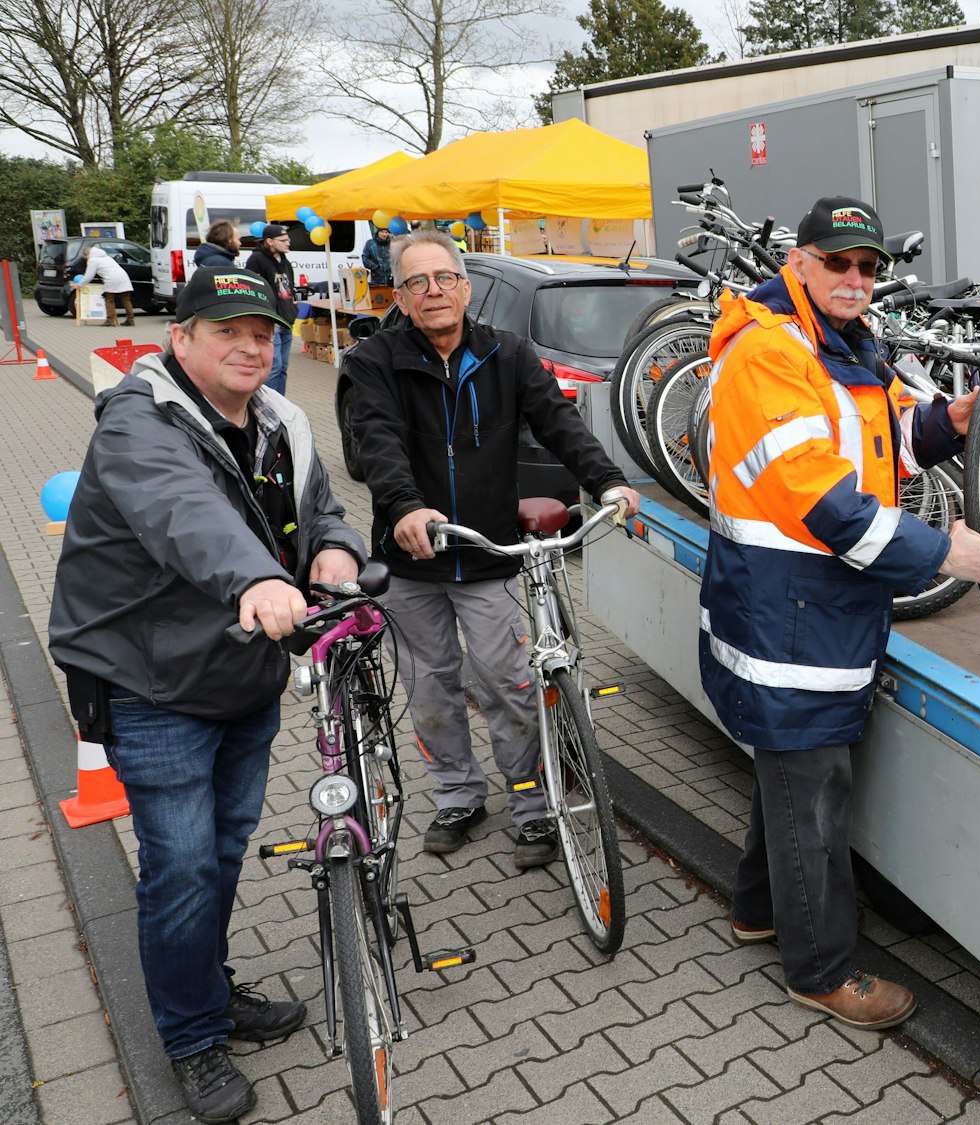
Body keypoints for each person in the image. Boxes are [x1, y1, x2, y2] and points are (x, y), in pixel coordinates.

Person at [48, 267, 366, 1124]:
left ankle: (208, 989)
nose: (249, 346)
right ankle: (190, 1038)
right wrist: (260, 577)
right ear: (179, 338)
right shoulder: (139, 424)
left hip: (242, 673)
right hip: (152, 681)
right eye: (226, 330)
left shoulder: (282, 421)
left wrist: (332, 549)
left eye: (262, 333)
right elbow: (187, 511)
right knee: (181, 866)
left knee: (221, 852)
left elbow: (320, 506)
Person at [701, 196, 980, 1031]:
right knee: (815, 798)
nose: (856, 278)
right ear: (798, 262)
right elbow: (826, 502)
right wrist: (946, 554)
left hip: (814, 611)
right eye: (838, 262)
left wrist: (947, 421)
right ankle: (822, 969)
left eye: (869, 266)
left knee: (788, 780)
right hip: (789, 617)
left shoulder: (841, 343)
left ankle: (757, 910)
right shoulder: (770, 352)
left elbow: (878, 446)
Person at [343, 230, 640, 867]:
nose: (433, 292)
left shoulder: (508, 353)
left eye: (443, 278)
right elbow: (377, 441)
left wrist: (607, 481)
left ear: (465, 286)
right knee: (431, 688)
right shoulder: (374, 361)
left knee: (509, 684)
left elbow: (560, 423)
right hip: (413, 560)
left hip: (491, 555)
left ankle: (533, 804)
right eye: (417, 283)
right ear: (401, 294)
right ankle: (457, 793)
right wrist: (404, 507)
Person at [242, 226, 299, 394]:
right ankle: (268, 403)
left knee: (283, 368)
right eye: (283, 240)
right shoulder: (257, 259)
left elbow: (290, 286)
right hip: (271, 320)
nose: (288, 243)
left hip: (286, 318)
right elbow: (251, 288)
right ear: (269, 241)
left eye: (288, 240)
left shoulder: (284, 260)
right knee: (274, 366)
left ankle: (281, 404)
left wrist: (292, 307)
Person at [73, 244, 136, 327]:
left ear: (87, 254)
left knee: (109, 299)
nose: (87, 259)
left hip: (112, 279)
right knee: (126, 299)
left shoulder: (93, 260)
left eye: (86, 257)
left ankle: (110, 321)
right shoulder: (106, 257)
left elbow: (89, 276)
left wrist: (79, 285)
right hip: (123, 277)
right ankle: (130, 320)